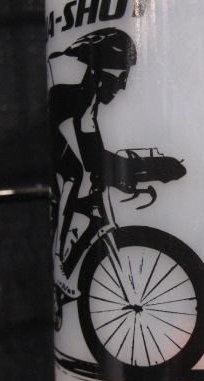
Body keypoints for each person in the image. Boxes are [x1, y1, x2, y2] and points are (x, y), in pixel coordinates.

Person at [48, 28, 137, 297]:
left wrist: (116, 174)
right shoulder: (83, 102)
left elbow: (94, 154)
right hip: (50, 137)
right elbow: (90, 155)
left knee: (82, 180)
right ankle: (57, 260)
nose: (123, 86)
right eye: (120, 76)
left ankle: (65, 251)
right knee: (73, 174)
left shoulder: (89, 103)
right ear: (98, 73)